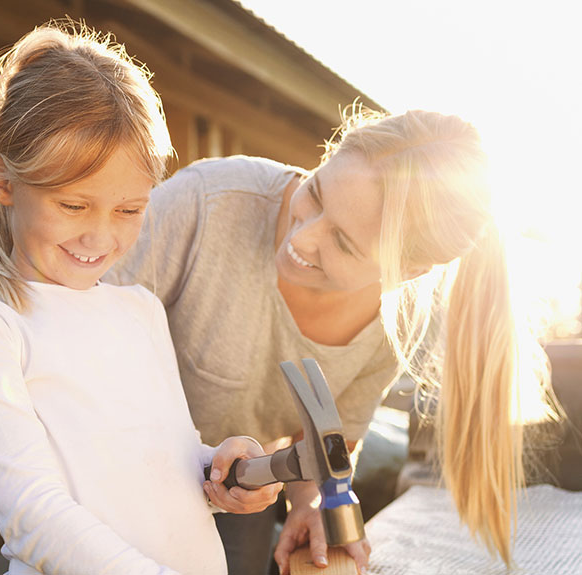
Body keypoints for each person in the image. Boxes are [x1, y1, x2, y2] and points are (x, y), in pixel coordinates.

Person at [101, 107, 558, 573]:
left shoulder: (389, 325)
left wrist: (309, 502)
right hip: (98, 454)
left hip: (234, 494)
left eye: (342, 242)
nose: (303, 236)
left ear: (405, 274)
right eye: (315, 192)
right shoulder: (208, 204)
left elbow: (320, 445)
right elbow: (77, 336)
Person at [0, 20, 280, 575]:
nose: (100, 238)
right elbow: (33, 516)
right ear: (1, 181)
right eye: (73, 206)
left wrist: (220, 475)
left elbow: (168, 468)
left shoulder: (138, 310)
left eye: (129, 210)